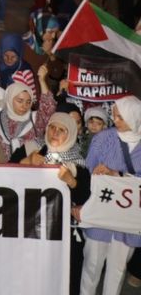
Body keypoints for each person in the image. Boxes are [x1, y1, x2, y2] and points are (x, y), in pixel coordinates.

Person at [80, 96, 141, 295]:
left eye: (121, 117)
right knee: (92, 264)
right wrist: (98, 172)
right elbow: (89, 169)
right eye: (114, 115)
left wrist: (119, 175)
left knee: (117, 269)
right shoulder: (103, 139)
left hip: (128, 216)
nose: (115, 120)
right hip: (102, 210)